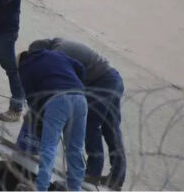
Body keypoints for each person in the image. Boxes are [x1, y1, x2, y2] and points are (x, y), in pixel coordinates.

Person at [29, 38, 126, 190]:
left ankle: (93, 171)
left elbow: (66, 81)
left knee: (90, 125)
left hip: (102, 82)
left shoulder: (56, 54)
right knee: (111, 129)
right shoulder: (60, 44)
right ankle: (117, 177)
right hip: (113, 79)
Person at [18, 47, 87, 191]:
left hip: (57, 100)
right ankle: (75, 188)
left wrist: (39, 118)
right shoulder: (55, 54)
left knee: (48, 147)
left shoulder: (25, 67)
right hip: (80, 97)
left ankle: (41, 187)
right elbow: (80, 68)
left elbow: (32, 99)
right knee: (76, 147)